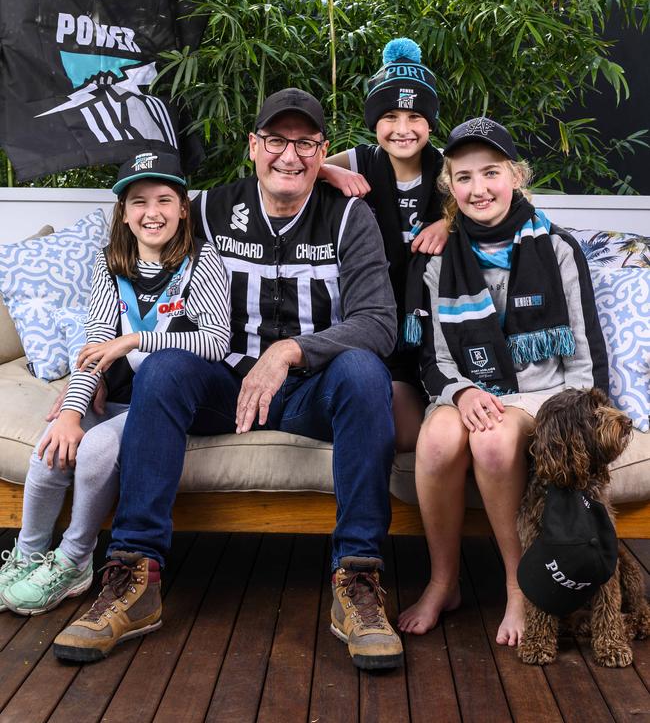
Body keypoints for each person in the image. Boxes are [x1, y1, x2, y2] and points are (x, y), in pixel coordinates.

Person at [53, 88, 404, 671]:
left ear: (323, 152)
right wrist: (75, 396)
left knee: (367, 372)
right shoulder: (211, 208)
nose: (288, 156)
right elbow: (139, 233)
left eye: (305, 144)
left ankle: (359, 581)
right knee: (163, 370)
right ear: (252, 147)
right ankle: (133, 576)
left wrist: (291, 350)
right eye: (275, 141)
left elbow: (378, 324)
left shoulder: (350, 215)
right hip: (226, 386)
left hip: (314, 390)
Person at [397, 117, 608, 645]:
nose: (478, 188)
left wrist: (577, 420)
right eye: (463, 177)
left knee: (491, 444)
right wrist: (462, 392)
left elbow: (586, 355)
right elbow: (432, 360)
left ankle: (519, 587)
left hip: (543, 396)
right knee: (440, 439)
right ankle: (443, 582)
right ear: (450, 187)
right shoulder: (437, 259)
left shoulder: (556, 249)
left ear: (515, 175)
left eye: (490, 172)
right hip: (467, 389)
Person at [0, 150, 230, 618]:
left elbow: (216, 342)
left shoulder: (202, 261)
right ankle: (28, 554)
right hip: (115, 395)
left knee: (97, 449)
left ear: (183, 208)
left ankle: (76, 558)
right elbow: (94, 350)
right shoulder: (110, 266)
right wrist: (69, 413)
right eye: (139, 201)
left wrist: (134, 340)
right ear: (123, 213)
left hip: (161, 406)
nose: (153, 212)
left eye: (164, 199)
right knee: (52, 448)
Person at [323, 37, 448, 451]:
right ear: (375, 122)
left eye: (415, 116)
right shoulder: (360, 160)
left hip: (440, 326)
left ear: (430, 123)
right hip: (380, 325)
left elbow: (498, 200)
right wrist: (331, 173)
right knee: (402, 435)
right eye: (390, 116)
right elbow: (298, 166)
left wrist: (449, 222)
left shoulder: (448, 167)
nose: (402, 129)